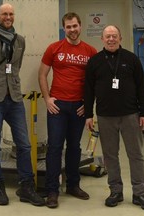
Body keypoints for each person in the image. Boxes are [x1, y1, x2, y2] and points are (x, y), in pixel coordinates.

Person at [0, 3, 45, 207]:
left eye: (11, 14)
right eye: (4, 13)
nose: (8, 17)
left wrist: (10, 84)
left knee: (24, 144)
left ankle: (26, 187)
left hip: (14, 98)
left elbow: (16, 66)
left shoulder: (20, 40)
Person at [84, 25, 144, 211]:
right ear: (102, 39)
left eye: (114, 36)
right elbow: (88, 91)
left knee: (136, 155)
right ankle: (116, 191)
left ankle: (140, 193)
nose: (111, 39)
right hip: (105, 116)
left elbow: (142, 87)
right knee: (110, 156)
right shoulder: (95, 62)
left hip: (130, 115)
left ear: (120, 38)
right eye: (107, 36)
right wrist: (88, 115)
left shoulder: (131, 59)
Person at [38, 12, 97, 208]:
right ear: (64, 29)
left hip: (79, 107)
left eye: (75, 26)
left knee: (74, 148)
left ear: (80, 26)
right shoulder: (54, 48)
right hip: (58, 107)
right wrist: (47, 99)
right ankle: (52, 190)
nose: (72, 30)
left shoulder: (90, 51)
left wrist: (88, 105)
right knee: (54, 148)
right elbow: (42, 74)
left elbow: (96, 82)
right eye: (68, 27)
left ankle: (73, 185)